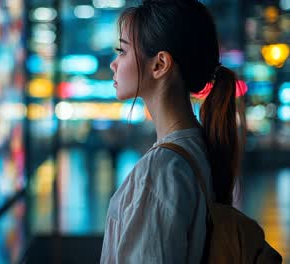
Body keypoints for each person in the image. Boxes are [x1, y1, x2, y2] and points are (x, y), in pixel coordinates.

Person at [101, 0, 240, 263]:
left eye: (122, 51)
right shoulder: (198, 147)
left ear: (160, 64)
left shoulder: (160, 170)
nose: (114, 64)